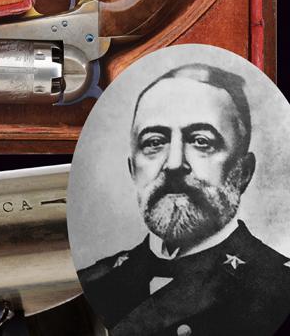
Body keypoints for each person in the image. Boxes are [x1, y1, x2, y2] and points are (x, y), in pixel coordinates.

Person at [78, 63, 290, 336]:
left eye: (201, 141)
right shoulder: (95, 282)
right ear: (133, 169)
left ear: (243, 172)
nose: (174, 164)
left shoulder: (280, 287)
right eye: (154, 142)